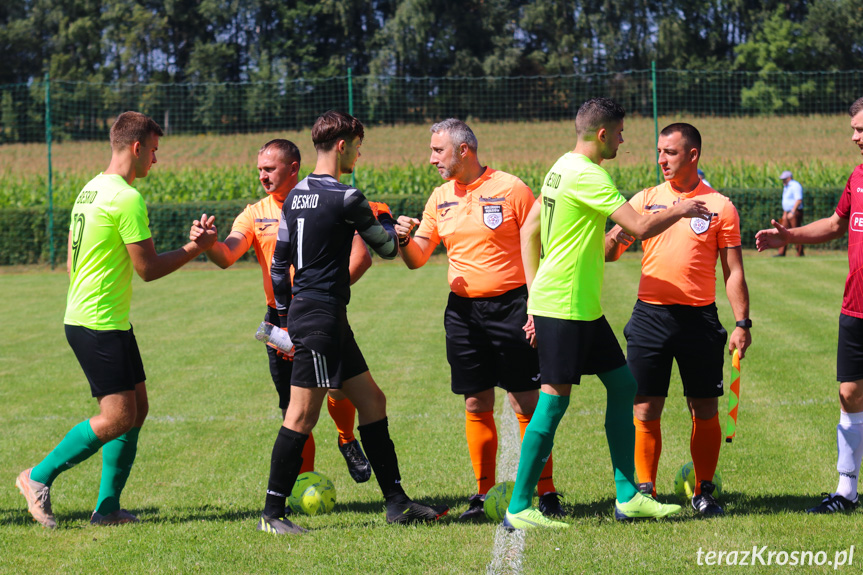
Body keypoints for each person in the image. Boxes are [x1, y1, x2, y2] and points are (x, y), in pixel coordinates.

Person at [503, 97, 711, 530]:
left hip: (578, 306)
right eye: (619, 133)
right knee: (554, 403)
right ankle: (519, 506)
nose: (622, 139)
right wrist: (681, 208)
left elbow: (529, 230)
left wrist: (533, 294)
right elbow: (638, 226)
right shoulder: (588, 174)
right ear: (602, 135)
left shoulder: (560, 166)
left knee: (623, 385)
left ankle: (627, 495)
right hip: (564, 306)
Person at [16, 111, 218, 528]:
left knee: (137, 409)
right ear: (137, 147)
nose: (156, 162)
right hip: (97, 323)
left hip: (103, 319)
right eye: (155, 151)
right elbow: (148, 269)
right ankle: (36, 477)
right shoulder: (126, 197)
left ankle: (107, 509)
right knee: (118, 417)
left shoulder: (89, 190)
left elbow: (75, 260)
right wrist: (195, 248)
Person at [258, 110, 448, 534]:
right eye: (358, 145)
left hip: (312, 313)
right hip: (323, 316)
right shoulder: (347, 196)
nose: (360, 153)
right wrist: (394, 226)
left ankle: (397, 503)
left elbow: (278, 267)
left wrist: (287, 318)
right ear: (343, 145)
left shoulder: (294, 196)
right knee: (301, 415)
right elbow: (384, 248)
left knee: (373, 401)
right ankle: (271, 515)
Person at [394, 119, 563, 521]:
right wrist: (402, 238)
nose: (432, 158)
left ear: (463, 150)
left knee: (527, 400)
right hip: (463, 314)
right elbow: (417, 258)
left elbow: (543, 245)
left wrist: (537, 306)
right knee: (475, 401)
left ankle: (547, 491)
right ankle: (483, 494)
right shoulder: (439, 198)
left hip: (513, 308)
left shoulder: (511, 188)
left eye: (438, 151)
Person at [190, 139, 373, 485]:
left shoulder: (326, 200)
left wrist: (323, 295)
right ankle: (304, 482)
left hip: (320, 312)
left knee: (337, 388)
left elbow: (361, 257)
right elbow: (227, 255)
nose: (262, 176)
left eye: (269, 169)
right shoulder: (254, 212)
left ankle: (347, 439)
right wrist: (208, 244)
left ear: (293, 169)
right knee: (293, 405)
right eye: (259, 169)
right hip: (280, 321)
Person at [605, 123, 752, 516]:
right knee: (644, 407)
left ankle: (704, 490)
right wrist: (613, 239)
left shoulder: (721, 206)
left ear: (692, 155)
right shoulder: (647, 198)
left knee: (703, 407)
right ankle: (644, 490)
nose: (661, 160)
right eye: (658, 151)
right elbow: (610, 249)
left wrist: (742, 323)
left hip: (699, 321)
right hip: (649, 316)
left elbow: (733, 271)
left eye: (669, 152)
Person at [756, 97, 863, 513]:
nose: (854, 137)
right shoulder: (857, 177)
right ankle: (846, 490)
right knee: (849, 392)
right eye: (853, 129)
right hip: (855, 306)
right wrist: (790, 237)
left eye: (860, 129)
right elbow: (837, 224)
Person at [776, 170, 804, 256]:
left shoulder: (795, 186)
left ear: (789, 178)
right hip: (787, 213)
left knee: (796, 232)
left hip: (794, 212)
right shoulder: (786, 187)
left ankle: (800, 252)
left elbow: (798, 200)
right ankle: (781, 252)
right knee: (782, 232)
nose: (782, 181)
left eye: (784, 179)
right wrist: (785, 214)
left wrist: (792, 212)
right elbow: (786, 202)